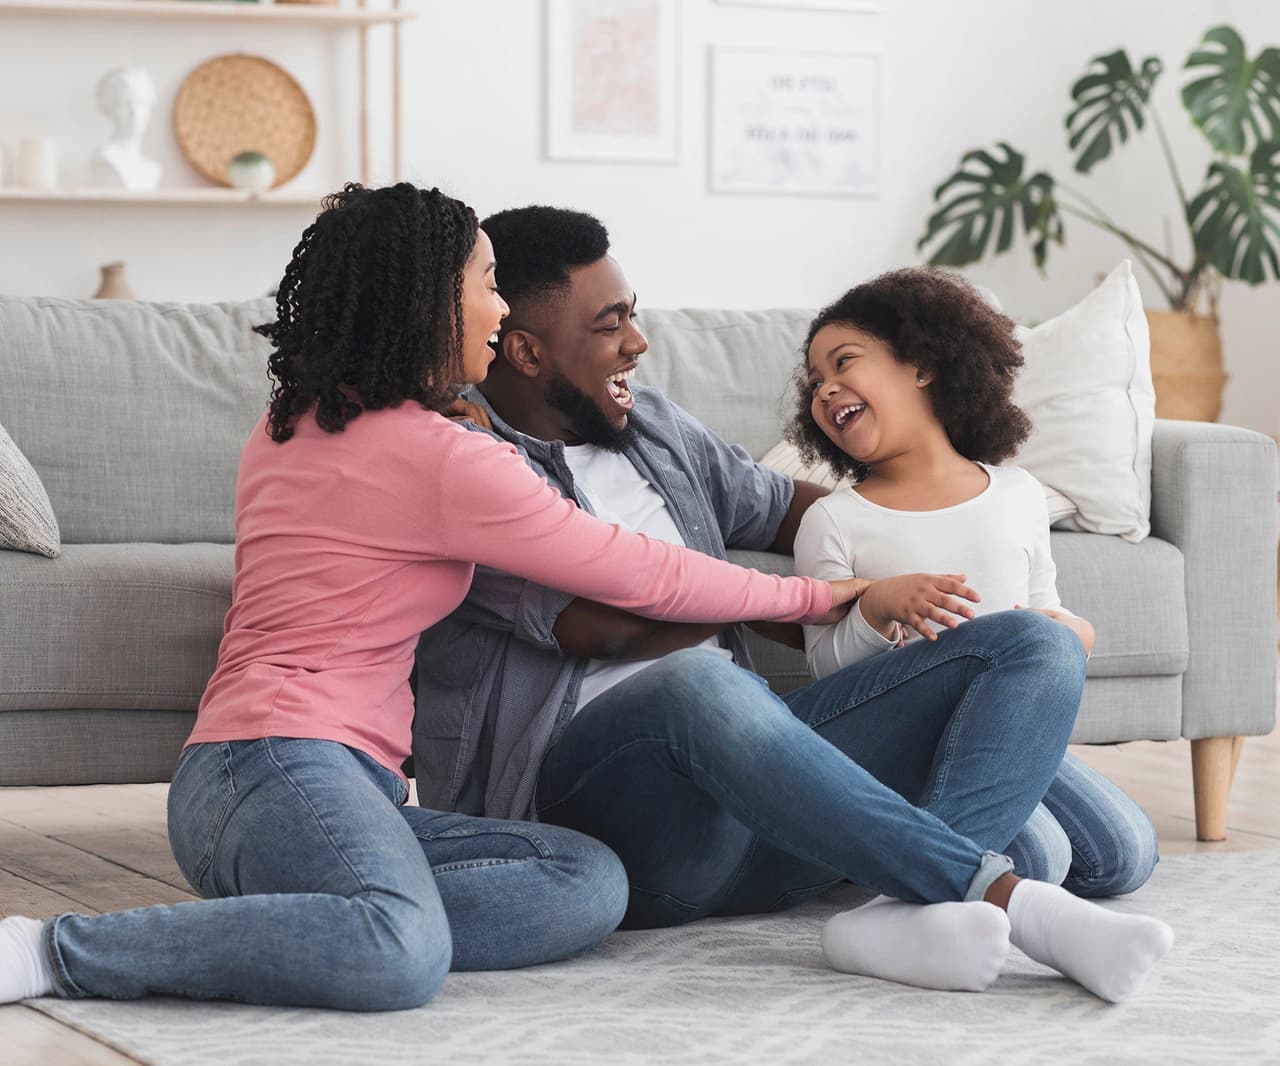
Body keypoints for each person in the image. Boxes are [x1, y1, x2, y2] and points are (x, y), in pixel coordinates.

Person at [0, 182, 876, 1013]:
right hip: (275, 762)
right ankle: (54, 950)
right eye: (488, 286)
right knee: (400, 951)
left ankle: (308, 918)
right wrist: (819, 595)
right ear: (429, 302)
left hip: (298, 786)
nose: (500, 311)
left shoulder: (301, 417)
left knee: (586, 883)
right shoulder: (440, 454)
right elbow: (637, 569)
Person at [414, 205, 1171, 1000]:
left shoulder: (654, 427)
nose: (637, 342)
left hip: (760, 807)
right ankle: (995, 896)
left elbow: (787, 509)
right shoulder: (468, 463)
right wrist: (783, 597)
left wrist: (921, 545)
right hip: (616, 821)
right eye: (610, 325)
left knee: (1035, 655)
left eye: (632, 315)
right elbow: (603, 632)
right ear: (527, 350)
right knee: (698, 681)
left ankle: (912, 913)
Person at [789, 265, 1171, 950]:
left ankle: (922, 844)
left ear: (922, 365)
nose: (825, 389)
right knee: (1042, 860)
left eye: (843, 362)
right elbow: (828, 675)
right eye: (815, 381)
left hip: (1003, 727)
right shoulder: (835, 521)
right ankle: (912, 878)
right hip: (902, 742)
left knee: (1123, 855)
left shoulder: (1018, 493)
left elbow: (1047, 609)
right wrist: (877, 610)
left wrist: (1072, 634)